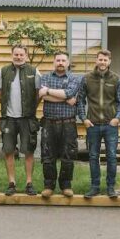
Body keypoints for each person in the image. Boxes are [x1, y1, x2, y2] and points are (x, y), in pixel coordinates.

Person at [79, 49, 120, 199]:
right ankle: (95, 186)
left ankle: (111, 187)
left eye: (105, 60)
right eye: (100, 59)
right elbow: (80, 100)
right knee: (93, 156)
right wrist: (84, 118)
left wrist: (117, 118)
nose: (102, 62)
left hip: (110, 125)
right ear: (96, 60)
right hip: (93, 125)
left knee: (111, 156)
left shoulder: (116, 79)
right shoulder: (87, 79)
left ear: (109, 61)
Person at [0, 44, 41, 196]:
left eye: (21, 55)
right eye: (16, 54)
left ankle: (29, 183)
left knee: (28, 151)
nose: (18, 57)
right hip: (8, 118)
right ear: (12, 55)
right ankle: (11, 183)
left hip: (27, 119)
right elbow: (0, 93)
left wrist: (31, 109)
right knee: (8, 151)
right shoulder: (3, 71)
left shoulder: (34, 71)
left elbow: (38, 94)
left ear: (26, 56)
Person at [38, 51, 82, 198]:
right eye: (58, 60)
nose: (61, 63)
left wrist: (49, 92)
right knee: (47, 155)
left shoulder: (74, 78)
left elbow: (69, 93)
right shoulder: (45, 77)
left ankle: (66, 185)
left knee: (68, 155)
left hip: (68, 123)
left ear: (68, 63)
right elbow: (42, 95)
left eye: (64, 60)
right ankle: (49, 185)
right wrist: (64, 97)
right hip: (49, 123)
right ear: (54, 62)